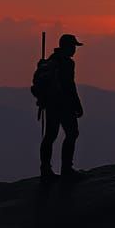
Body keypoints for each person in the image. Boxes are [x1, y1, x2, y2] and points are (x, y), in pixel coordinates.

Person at [39, 33, 84, 180]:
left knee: (50, 136)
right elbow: (70, 85)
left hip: (51, 104)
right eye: (73, 46)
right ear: (67, 46)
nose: (74, 50)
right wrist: (77, 104)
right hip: (64, 104)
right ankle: (66, 169)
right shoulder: (67, 63)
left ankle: (45, 170)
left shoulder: (51, 61)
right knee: (72, 133)